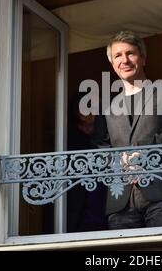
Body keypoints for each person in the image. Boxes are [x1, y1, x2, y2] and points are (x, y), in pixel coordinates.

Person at [93, 30, 162, 230]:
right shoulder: (106, 107)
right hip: (120, 200)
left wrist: (141, 152)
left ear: (143, 58)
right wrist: (121, 161)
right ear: (112, 64)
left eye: (130, 53)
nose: (125, 60)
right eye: (118, 55)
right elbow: (101, 149)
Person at [67, 93, 107, 232]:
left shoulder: (109, 138)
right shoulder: (71, 142)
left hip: (108, 218)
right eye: (99, 108)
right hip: (83, 221)